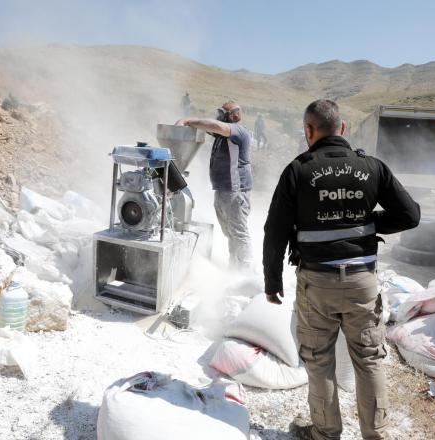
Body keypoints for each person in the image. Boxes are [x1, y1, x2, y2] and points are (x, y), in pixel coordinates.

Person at [263, 99, 420, 440]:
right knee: (369, 359)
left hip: (316, 283)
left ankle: (325, 433)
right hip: (362, 282)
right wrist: (368, 222)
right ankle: (376, 434)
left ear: (308, 130)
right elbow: (410, 215)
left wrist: (272, 282)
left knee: (318, 360)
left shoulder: (297, 170)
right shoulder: (372, 167)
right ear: (343, 128)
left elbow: (275, 231)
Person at [176, 101, 253, 268]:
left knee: (238, 233)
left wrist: (187, 121)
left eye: (221, 113)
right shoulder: (223, 135)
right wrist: (189, 122)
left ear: (232, 116)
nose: (218, 116)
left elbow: (215, 125)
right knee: (231, 233)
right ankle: (235, 267)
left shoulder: (238, 131)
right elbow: (208, 127)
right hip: (224, 190)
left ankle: (245, 271)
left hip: (235, 190)